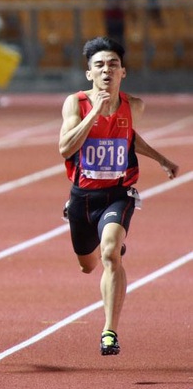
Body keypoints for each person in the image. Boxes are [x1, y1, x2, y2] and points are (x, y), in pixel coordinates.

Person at [58, 36, 178, 356]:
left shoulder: (133, 106)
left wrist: (161, 158)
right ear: (89, 74)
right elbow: (65, 148)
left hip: (118, 192)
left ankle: (109, 331)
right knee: (88, 264)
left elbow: (129, 138)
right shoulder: (76, 103)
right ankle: (95, 232)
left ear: (123, 72)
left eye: (113, 65)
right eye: (99, 65)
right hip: (83, 196)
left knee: (111, 253)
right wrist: (93, 112)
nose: (106, 70)